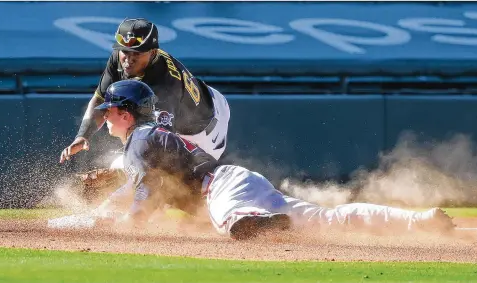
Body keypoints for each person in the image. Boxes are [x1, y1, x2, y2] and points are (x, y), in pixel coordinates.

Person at [49, 80, 455, 240]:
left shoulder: (138, 142)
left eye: (106, 112)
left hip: (225, 189)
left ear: (123, 112)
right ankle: (420, 221)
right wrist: (61, 222)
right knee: (328, 219)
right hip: (239, 181)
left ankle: (253, 222)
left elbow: (140, 204)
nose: (101, 120)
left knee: (234, 222)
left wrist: (124, 223)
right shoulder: (146, 140)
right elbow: (127, 199)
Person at [59, 18, 230, 167]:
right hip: (189, 107)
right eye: (124, 51)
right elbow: (100, 99)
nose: (129, 58)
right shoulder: (118, 58)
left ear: (153, 52)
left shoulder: (163, 85)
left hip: (204, 132)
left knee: (179, 186)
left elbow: (159, 145)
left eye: (137, 53)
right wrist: (83, 136)